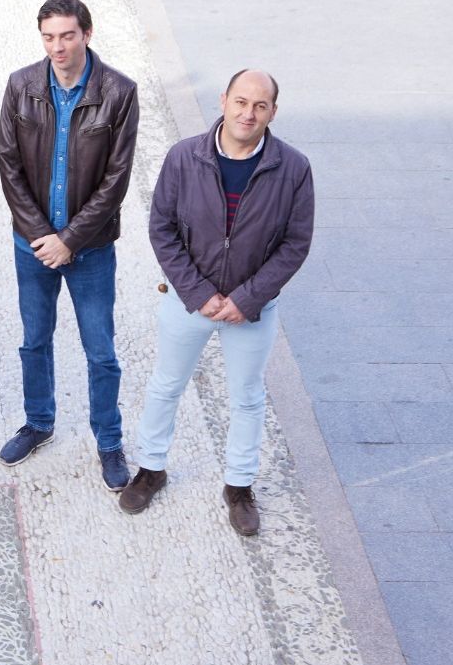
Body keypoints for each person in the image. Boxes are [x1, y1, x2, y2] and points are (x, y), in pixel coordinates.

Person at [121, 69, 313, 536]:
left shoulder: (293, 168)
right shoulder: (184, 157)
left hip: (252, 310)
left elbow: (295, 243)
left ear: (272, 111)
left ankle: (239, 486)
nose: (248, 113)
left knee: (247, 398)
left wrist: (247, 298)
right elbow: (162, 228)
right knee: (166, 384)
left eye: (260, 105)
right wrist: (199, 293)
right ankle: (151, 468)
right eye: (241, 101)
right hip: (190, 301)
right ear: (223, 100)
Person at [0, 0, 139, 490]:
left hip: (90, 250)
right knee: (34, 341)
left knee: (100, 350)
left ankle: (108, 440)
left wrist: (70, 241)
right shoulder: (21, 85)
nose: (57, 46)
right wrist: (42, 236)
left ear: (87, 34)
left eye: (67, 35)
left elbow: (116, 179)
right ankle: (38, 423)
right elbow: (8, 166)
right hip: (32, 246)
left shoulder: (119, 92)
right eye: (49, 36)